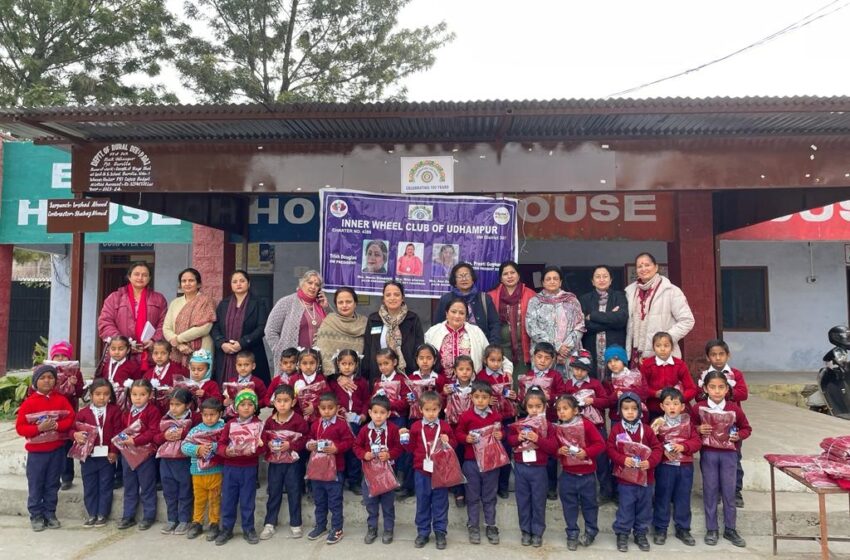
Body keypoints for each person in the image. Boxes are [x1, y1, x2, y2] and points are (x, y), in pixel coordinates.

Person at [693, 371, 752, 548]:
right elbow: (689, 426)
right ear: (705, 389)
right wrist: (698, 429)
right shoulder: (699, 408)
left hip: (729, 454)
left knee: (729, 491)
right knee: (710, 490)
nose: (717, 391)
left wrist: (738, 435)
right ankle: (712, 529)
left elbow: (746, 428)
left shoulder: (734, 409)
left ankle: (730, 529)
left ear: (727, 389)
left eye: (721, 387)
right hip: (709, 453)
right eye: (712, 387)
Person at [16, 364, 76, 532]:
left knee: (52, 483)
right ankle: (36, 515)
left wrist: (57, 425)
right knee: (36, 484)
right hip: (37, 454)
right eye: (42, 378)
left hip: (56, 451)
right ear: (35, 382)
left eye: (50, 377)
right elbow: (20, 428)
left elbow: (71, 418)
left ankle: (50, 513)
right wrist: (38, 428)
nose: (47, 380)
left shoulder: (61, 400)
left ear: (55, 381)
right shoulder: (29, 403)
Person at [607, 392, 663, 553]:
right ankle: (622, 533)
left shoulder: (647, 430)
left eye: (633, 408)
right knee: (626, 506)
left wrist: (650, 462)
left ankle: (640, 533)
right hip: (626, 480)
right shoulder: (617, 429)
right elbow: (610, 448)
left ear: (640, 410)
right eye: (626, 409)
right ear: (620, 411)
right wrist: (622, 459)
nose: (630, 412)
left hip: (646, 479)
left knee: (644, 507)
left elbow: (658, 449)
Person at [401, 390, 456, 550]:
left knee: (440, 502)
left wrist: (448, 441)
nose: (431, 413)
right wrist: (404, 438)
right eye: (427, 410)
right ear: (420, 410)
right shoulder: (415, 427)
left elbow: (454, 445)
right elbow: (410, 448)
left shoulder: (444, 426)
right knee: (423, 501)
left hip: (440, 471)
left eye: (434, 410)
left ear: (440, 409)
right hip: (422, 471)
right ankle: (423, 532)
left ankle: (440, 532)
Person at [700, 339, 749, 507]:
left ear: (728, 355)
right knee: (710, 459)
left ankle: (735, 492)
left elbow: (743, 394)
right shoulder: (704, 375)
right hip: (711, 424)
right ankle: (715, 492)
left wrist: (723, 390)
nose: (718, 358)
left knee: (734, 457)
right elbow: (698, 396)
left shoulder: (735, 374)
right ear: (708, 357)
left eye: (721, 354)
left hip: (731, 424)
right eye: (713, 355)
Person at [650, 387, 701, 547]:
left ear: (682, 406)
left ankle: (683, 528)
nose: (672, 407)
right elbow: (651, 443)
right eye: (668, 404)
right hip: (665, 466)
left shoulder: (688, 423)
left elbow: (697, 442)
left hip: (684, 466)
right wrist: (663, 451)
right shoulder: (657, 423)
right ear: (662, 406)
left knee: (683, 497)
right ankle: (660, 528)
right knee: (662, 496)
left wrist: (683, 446)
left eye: (676, 404)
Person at [554, 394, 606, 550]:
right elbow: (553, 448)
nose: (561, 412)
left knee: (590, 505)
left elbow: (600, 444)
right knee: (569, 506)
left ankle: (591, 532)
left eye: (565, 408)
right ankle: (572, 533)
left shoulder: (586, 425)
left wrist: (586, 452)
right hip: (568, 475)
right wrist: (559, 451)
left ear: (576, 410)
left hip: (587, 475)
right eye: (558, 409)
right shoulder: (558, 428)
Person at [455, 380, 503, 545]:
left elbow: (501, 433)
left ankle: (491, 525)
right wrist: (465, 438)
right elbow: (458, 433)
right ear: (471, 398)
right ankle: (473, 525)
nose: (480, 400)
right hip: (471, 462)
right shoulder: (466, 416)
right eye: (477, 397)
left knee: (489, 496)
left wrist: (500, 435)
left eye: (484, 397)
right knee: (472, 495)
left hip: (491, 463)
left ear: (490, 399)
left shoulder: (495, 416)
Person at [508, 387, 557, 548]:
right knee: (523, 500)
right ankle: (525, 531)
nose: (534, 410)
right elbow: (510, 441)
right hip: (521, 467)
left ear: (545, 406)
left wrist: (538, 439)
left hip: (539, 469)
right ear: (525, 406)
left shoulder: (548, 426)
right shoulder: (520, 424)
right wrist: (518, 437)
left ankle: (537, 532)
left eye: (538, 406)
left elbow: (553, 448)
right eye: (530, 406)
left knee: (538, 501)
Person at [97, 261, 168, 374]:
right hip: (121, 356)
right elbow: (105, 322)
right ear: (129, 277)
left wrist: (154, 340)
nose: (140, 277)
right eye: (136, 274)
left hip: (150, 355)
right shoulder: (115, 298)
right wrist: (123, 342)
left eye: (144, 275)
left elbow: (164, 324)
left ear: (149, 278)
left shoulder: (159, 299)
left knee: (146, 384)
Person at [625, 252, 695, 364]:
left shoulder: (671, 290)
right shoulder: (630, 292)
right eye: (639, 266)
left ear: (656, 267)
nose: (643, 269)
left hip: (662, 356)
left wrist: (666, 339)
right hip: (636, 357)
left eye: (647, 265)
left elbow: (687, 320)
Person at [563, 351, 614, 503]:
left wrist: (593, 401)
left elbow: (606, 402)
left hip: (596, 426)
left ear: (588, 370)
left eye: (583, 369)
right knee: (579, 457)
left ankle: (606, 491)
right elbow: (563, 402)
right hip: (577, 428)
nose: (579, 372)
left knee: (601, 458)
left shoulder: (595, 384)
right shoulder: (568, 384)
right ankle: (581, 493)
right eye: (576, 369)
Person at [215, 389, 264, 545]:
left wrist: (257, 448)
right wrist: (226, 451)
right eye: (242, 404)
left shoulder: (258, 425)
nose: (246, 407)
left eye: (250, 404)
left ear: (255, 407)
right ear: (236, 407)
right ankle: (226, 529)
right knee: (228, 499)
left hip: (249, 468)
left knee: (247, 500)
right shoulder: (230, 424)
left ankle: (248, 529)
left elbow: (263, 447)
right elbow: (221, 444)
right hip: (231, 467)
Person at [353, 395, 405, 544]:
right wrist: (364, 454)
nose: (378, 416)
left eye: (382, 413)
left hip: (387, 473)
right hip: (369, 474)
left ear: (388, 414)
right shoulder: (364, 430)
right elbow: (356, 446)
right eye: (375, 412)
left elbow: (399, 448)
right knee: (370, 502)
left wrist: (389, 454)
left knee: (388, 504)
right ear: (369, 413)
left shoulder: (393, 429)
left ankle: (388, 529)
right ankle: (372, 528)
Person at [261, 384, 309, 541]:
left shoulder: (298, 420)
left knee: (294, 491)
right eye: (279, 401)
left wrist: (291, 445)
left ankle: (296, 523)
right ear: (274, 402)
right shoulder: (270, 421)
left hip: (293, 464)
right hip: (275, 464)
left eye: (286, 401)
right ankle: (270, 523)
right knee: (274, 492)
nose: (282, 404)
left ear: (293, 402)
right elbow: (264, 438)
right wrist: (268, 444)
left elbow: (305, 439)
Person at [305, 392, 355, 545]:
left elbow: (349, 442)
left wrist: (336, 448)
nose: (326, 411)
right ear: (318, 409)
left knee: (335, 501)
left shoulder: (341, 424)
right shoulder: (316, 424)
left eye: (330, 408)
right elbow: (309, 438)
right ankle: (320, 525)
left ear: (337, 408)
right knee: (319, 500)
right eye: (323, 408)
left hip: (335, 470)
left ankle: (337, 528)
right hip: (318, 470)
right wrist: (310, 445)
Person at [74, 379, 121, 528]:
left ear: (110, 395)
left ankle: (102, 514)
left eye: (106, 394)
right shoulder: (83, 413)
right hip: (88, 457)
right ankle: (91, 514)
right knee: (89, 486)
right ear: (91, 395)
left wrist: (114, 451)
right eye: (98, 394)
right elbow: (73, 430)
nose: (102, 397)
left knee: (106, 485)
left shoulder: (114, 411)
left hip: (107, 457)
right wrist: (75, 435)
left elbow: (117, 431)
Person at [116, 379, 162, 531]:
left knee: (147, 485)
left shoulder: (152, 411)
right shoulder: (126, 411)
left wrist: (135, 440)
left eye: (142, 395)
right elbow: (121, 429)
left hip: (145, 454)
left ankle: (148, 516)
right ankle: (128, 516)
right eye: (134, 394)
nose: (138, 398)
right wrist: (123, 439)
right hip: (128, 453)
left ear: (150, 395)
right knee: (129, 485)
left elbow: (153, 431)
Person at [212, 270, 271, 385]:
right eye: (234, 282)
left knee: (252, 388)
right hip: (225, 353)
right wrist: (222, 343)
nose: (238, 284)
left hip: (250, 349)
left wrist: (242, 343)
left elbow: (262, 327)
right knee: (224, 389)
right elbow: (215, 327)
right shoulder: (224, 304)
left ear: (248, 284)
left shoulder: (258, 303)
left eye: (242, 281)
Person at [525, 265, 585, 375]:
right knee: (544, 383)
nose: (552, 281)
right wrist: (557, 346)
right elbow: (531, 327)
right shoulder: (535, 301)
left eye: (555, 279)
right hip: (544, 353)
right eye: (548, 279)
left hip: (568, 353)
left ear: (560, 282)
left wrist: (566, 348)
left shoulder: (572, 300)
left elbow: (580, 325)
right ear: (543, 283)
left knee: (569, 384)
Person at [181, 397, 225, 541]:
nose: (209, 418)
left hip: (216, 471)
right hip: (198, 472)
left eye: (212, 414)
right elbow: (184, 446)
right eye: (205, 415)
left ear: (220, 414)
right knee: (199, 499)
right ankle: (197, 522)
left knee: (214, 499)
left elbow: (227, 444)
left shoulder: (223, 428)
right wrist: (197, 449)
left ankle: (214, 523)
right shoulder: (196, 430)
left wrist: (214, 447)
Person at [265, 269, 330, 368]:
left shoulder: (320, 305)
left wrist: (326, 307)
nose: (313, 287)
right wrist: (280, 351)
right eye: (310, 283)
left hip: (316, 361)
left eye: (317, 285)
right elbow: (270, 330)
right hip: (292, 361)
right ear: (302, 284)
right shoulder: (286, 302)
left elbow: (334, 325)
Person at [476, 345, 517, 500]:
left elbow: (514, 396)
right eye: (492, 360)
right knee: (489, 451)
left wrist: (513, 396)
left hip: (506, 418)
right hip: (488, 419)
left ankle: (503, 486)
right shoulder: (480, 376)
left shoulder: (506, 376)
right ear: (485, 360)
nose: (495, 363)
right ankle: (488, 486)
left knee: (505, 450)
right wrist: (486, 400)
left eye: (499, 360)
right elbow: (476, 395)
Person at [362, 281, 424, 380]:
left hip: (406, 374)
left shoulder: (412, 319)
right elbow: (368, 349)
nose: (392, 298)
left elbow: (419, 348)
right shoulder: (374, 319)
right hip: (379, 374)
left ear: (402, 298)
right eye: (388, 295)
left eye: (396, 294)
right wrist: (365, 375)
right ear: (383, 299)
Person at [153, 388, 195, 535]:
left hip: (183, 460)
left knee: (184, 490)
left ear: (188, 405)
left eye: (178, 405)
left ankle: (184, 520)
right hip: (166, 460)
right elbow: (155, 438)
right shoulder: (165, 418)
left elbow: (198, 435)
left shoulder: (194, 418)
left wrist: (183, 433)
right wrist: (164, 436)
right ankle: (172, 519)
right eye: (171, 404)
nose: (174, 408)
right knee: (169, 491)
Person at [328, 350, 370, 495]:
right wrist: (336, 409)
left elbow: (366, 400)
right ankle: (340, 479)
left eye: (350, 364)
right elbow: (330, 399)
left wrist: (364, 414)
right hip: (339, 422)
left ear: (356, 364)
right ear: (338, 364)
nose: (347, 367)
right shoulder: (334, 382)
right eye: (343, 364)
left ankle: (354, 481)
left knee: (354, 451)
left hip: (356, 423)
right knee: (341, 450)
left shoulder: (362, 382)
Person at [43, 341, 83, 491]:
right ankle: (53, 477)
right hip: (50, 414)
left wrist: (75, 384)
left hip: (68, 414)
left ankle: (67, 477)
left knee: (67, 444)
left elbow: (80, 392)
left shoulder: (75, 372)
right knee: (53, 446)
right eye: (57, 355)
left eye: (64, 356)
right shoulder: (46, 372)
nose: (60, 359)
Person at [488, 261, 535, 379]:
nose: (509, 276)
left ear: (518, 275)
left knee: (521, 382)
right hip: (500, 348)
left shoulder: (530, 295)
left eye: (512, 273)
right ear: (501, 278)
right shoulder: (491, 296)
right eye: (505, 274)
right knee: (502, 382)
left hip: (523, 348)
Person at [579, 265, 629, 378]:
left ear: (610, 280)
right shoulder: (584, 299)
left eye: (605, 276)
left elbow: (621, 320)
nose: (601, 279)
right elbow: (584, 325)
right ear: (592, 281)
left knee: (614, 380)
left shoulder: (619, 296)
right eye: (598, 277)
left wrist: (593, 316)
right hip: (591, 346)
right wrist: (611, 319)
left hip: (615, 346)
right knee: (592, 379)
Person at [434, 263, 500, 345]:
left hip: (480, 345)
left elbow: (495, 324)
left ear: (472, 279)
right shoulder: (446, 299)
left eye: (467, 275)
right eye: (460, 276)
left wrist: (492, 346)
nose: (464, 279)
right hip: (451, 346)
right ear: (454, 281)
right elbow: (437, 326)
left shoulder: (484, 298)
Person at [425, 298, 492, 378]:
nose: (457, 316)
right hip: (439, 382)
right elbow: (423, 355)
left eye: (461, 313)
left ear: (466, 317)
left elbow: (491, 354)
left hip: (471, 382)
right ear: (446, 313)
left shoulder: (476, 332)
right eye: (453, 312)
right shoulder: (433, 332)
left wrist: (505, 369)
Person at [162, 268, 216, 366]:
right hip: (178, 349)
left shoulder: (206, 301)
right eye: (184, 281)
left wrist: (178, 339)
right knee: (178, 375)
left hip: (201, 348)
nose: (187, 283)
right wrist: (179, 345)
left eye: (191, 280)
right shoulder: (175, 303)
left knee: (200, 374)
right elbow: (166, 328)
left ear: (199, 284)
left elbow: (205, 327)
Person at [639, 331, 698, 418]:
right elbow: (641, 387)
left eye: (666, 346)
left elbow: (691, 388)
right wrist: (654, 393)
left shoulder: (679, 364)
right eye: (658, 346)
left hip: (675, 409)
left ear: (672, 347)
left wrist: (679, 398)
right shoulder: (647, 365)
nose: (662, 349)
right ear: (653, 348)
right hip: (654, 408)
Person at [315, 287, 367, 375]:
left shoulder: (364, 323)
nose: (344, 305)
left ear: (355, 303)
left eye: (348, 302)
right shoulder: (329, 322)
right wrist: (336, 377)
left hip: (358, 378)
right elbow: (322, 354)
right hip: (331, 379)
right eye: (340, 302)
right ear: (336, 305)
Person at [221, 350, 268, 415]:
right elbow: (224, 396)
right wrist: (224, 402)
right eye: (239, 365)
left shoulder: (258, 382)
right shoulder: (231, 381)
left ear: (253, 366)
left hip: (252, 415)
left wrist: (255, 404)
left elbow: (265, 398)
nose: (243, 368)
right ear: (236, 366)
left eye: (246, 365)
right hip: (233, 416)